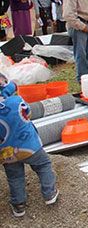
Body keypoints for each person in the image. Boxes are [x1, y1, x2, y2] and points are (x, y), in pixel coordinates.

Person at [0, 76, 58, 217]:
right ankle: (49, 194)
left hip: (7, 153)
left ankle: (19, 205)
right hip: (29, 147)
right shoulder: (16, 102)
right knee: (43, 165)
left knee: (14, 177)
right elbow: (28, 113)